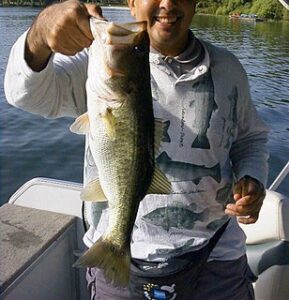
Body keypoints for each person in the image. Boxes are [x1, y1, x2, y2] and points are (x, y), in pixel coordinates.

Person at [4, 0, 269, 299]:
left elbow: (250, 138)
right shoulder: (93, 68)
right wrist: (39, 35)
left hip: (217, 257)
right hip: (117, 264)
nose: (167, 2)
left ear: (195, 4)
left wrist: (252, 177)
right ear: (131, 4)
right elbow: (22, 94)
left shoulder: (228, 68)